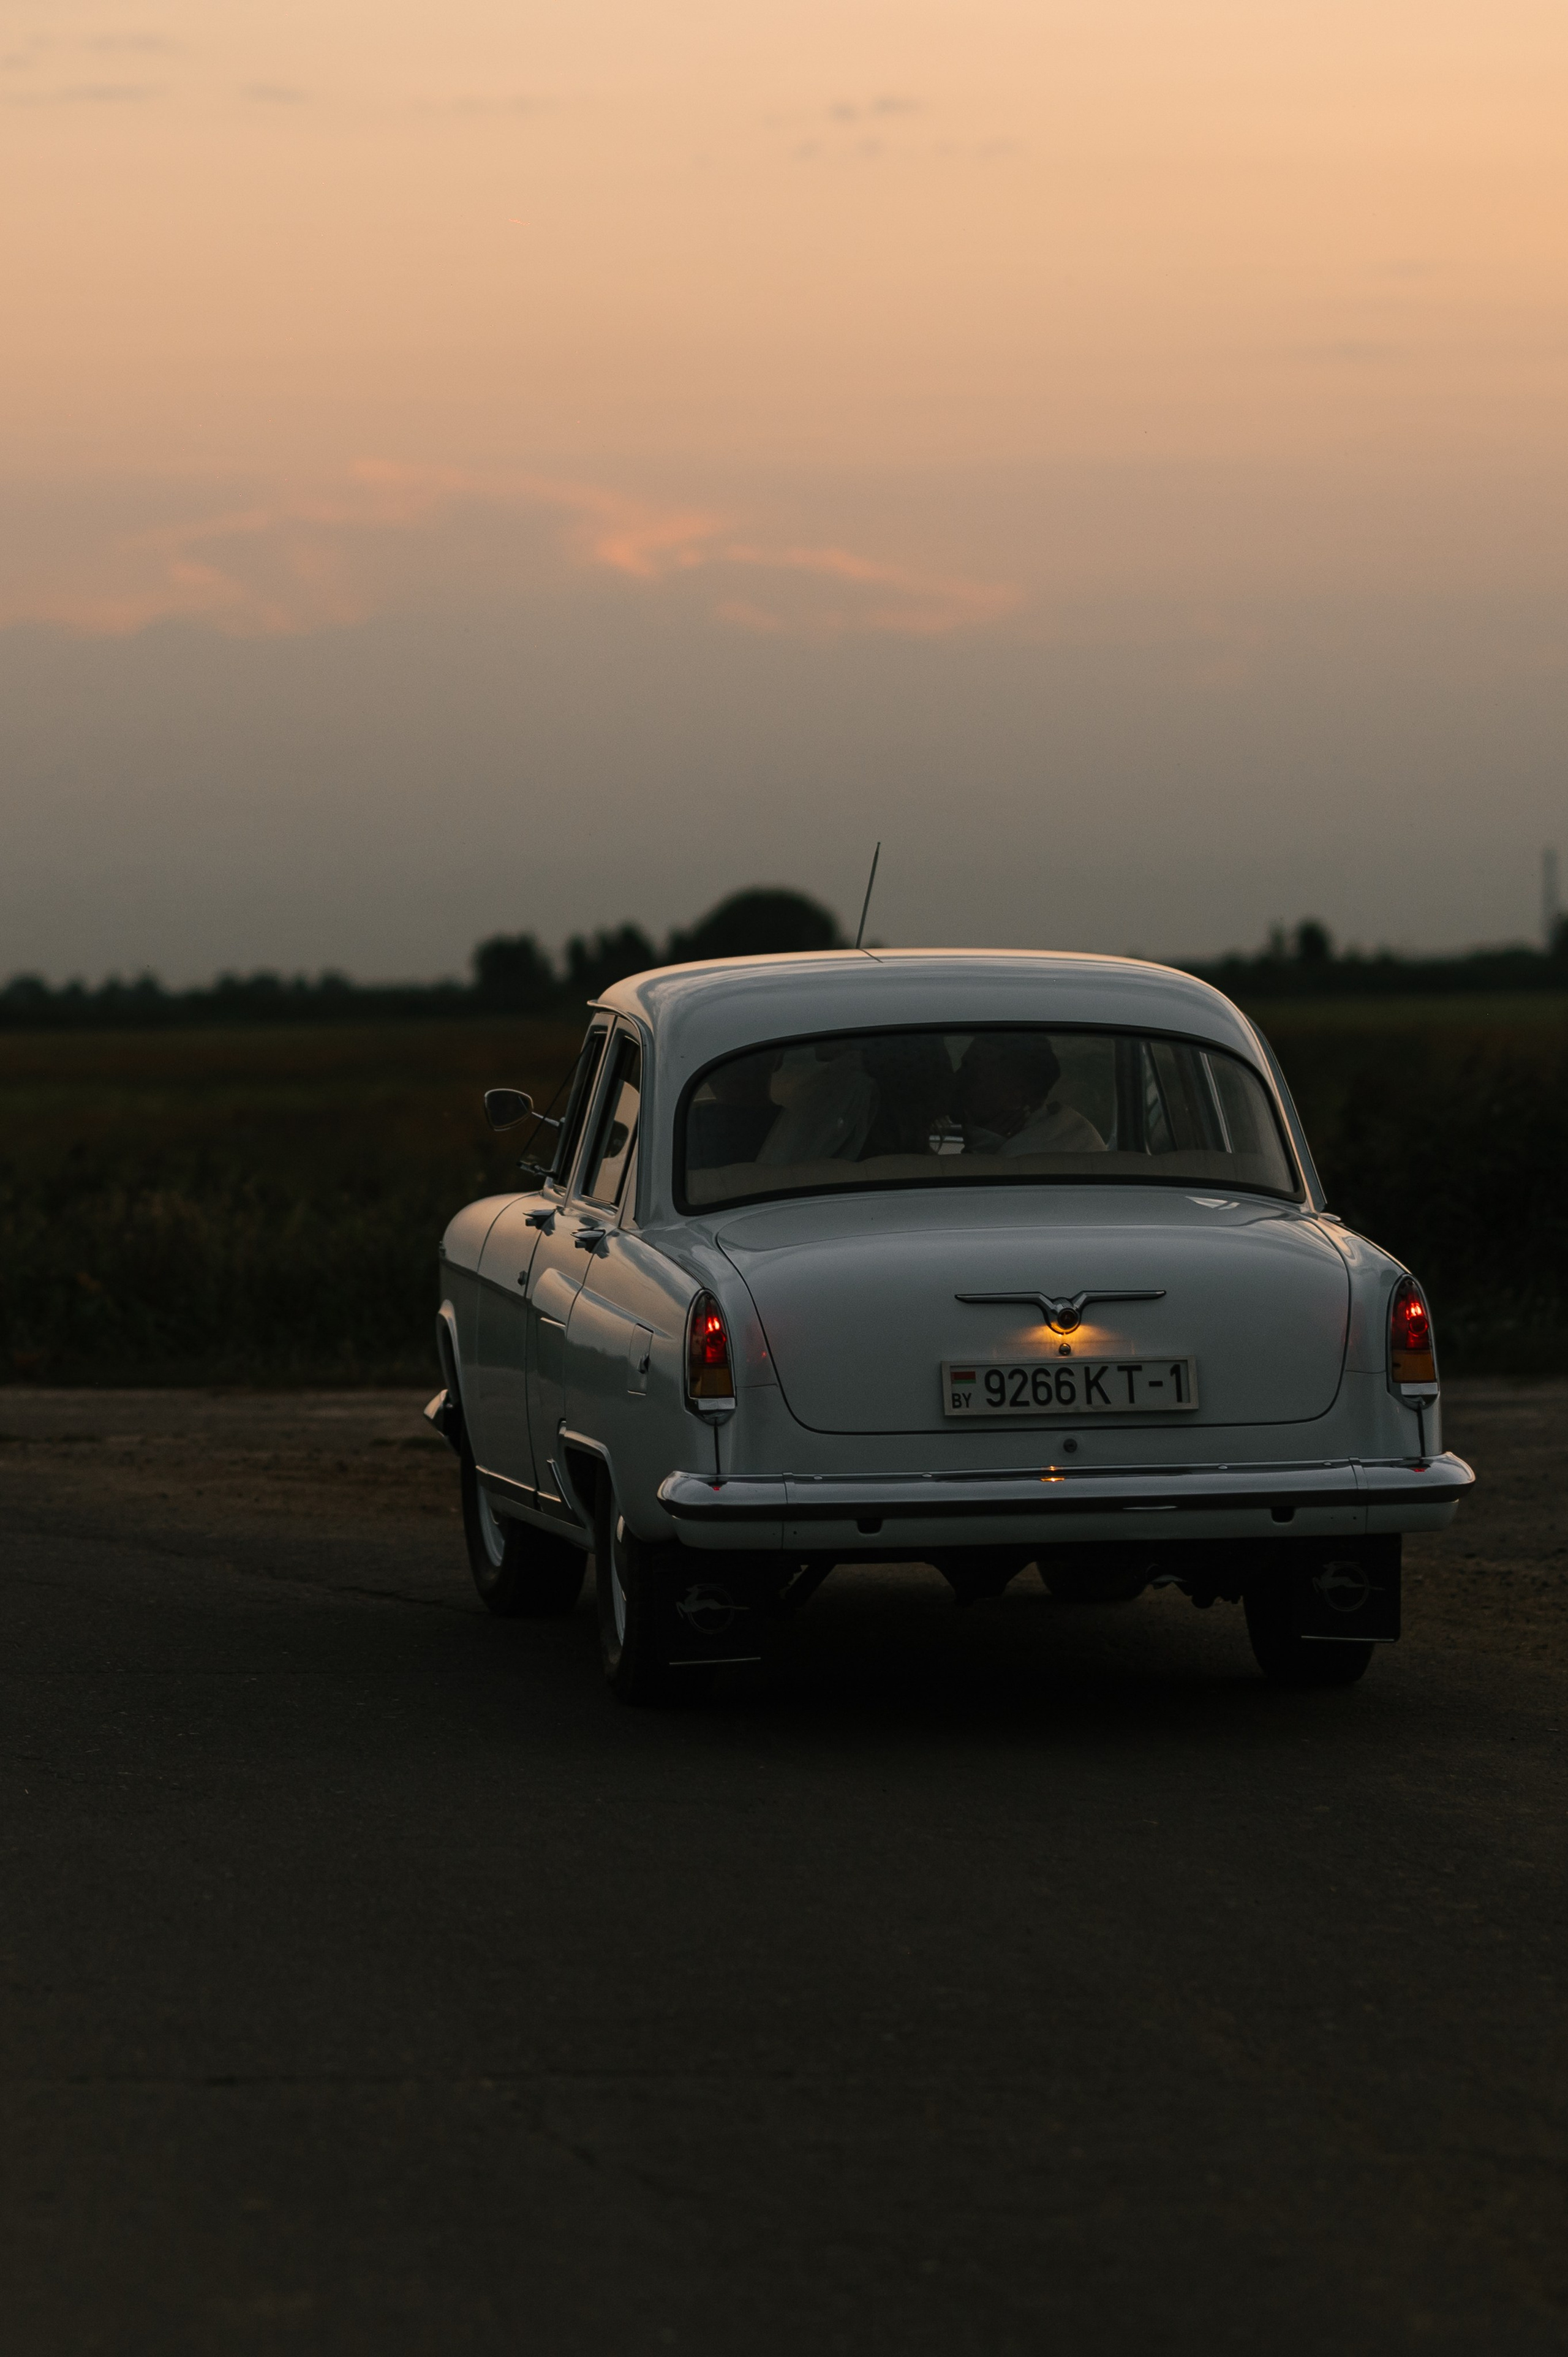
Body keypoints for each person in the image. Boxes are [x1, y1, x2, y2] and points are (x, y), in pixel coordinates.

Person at [955, 1033, 1104, 1155]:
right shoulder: (1070, 1129)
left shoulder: (1025, 1157)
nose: (956, 1079)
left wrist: (980, 1150)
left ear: (1014, 1098)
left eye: (972, 1074)